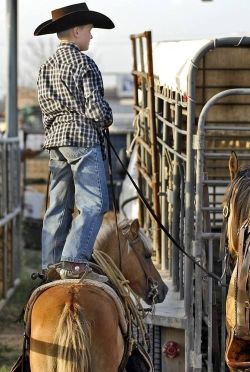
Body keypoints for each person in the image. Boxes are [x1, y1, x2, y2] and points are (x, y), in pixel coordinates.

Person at [34, 3, 114, 280]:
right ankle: (74, 260)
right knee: (94, 203)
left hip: (56, 140)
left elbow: (44, 109)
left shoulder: (46, 66)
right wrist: (107, 116)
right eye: (90, 31)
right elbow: (95, 109)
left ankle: (50, 265)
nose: (91, 36)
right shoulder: (84, 63)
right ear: (77, 30)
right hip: (82, 139)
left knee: (57, 205)